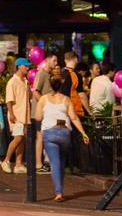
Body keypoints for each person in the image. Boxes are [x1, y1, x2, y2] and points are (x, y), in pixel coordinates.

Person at [34, 69, 89, 202]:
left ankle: (59, 192)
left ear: (50, 85)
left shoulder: (43, 99)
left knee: (54, 162)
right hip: (64, 133)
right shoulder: (66, 99)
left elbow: (37, 117)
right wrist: (83, 133)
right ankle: (60, 187)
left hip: (50, 133)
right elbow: (74, 118)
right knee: (61, 160)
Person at [3, 58, 31, 173]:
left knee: (22, 139)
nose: (28, 68)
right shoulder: (12, 82)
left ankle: (18, 164)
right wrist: (11, 114)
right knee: (18, 137)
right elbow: (9, 100)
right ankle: (6, 161)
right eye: (26, 66)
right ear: (19, 66)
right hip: (17, 115)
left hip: (25, 115)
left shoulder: (26, 81)